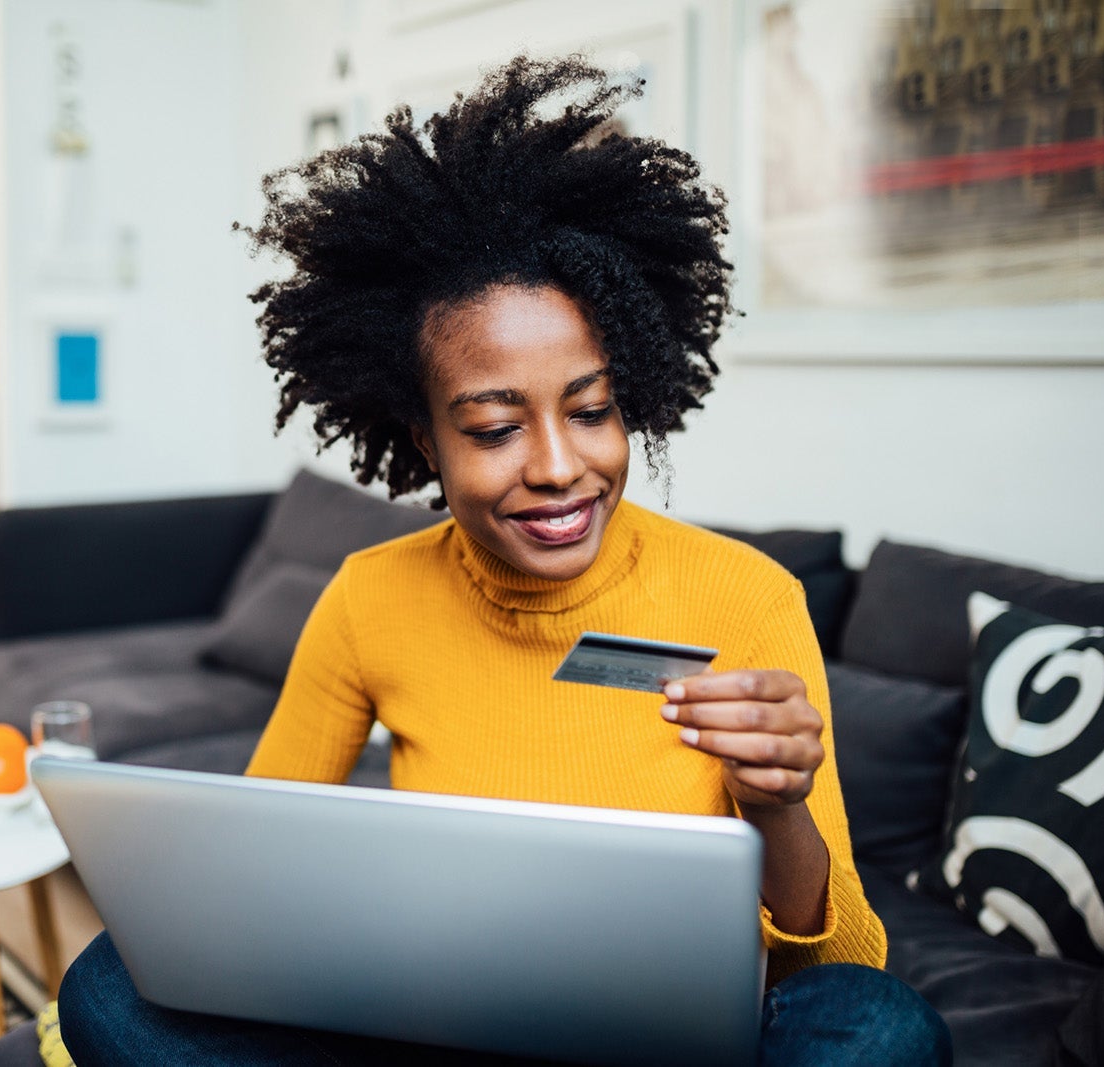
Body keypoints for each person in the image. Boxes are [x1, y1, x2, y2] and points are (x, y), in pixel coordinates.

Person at [59, 55, 951, 1065]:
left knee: (880, 1028)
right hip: (441, 1020)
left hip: (665, 1038)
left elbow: (839, 968)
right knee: (110, 987)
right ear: (427, 439)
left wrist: (778, 807)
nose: (560, 468)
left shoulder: (746, 595)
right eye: (493, 428)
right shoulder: (369, 596)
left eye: (591, 410)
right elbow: (249, 868)